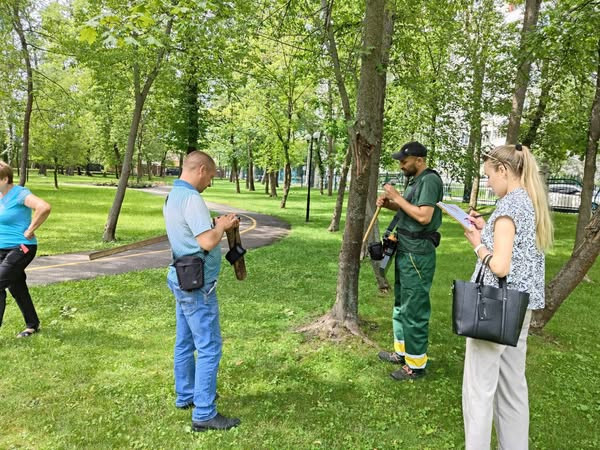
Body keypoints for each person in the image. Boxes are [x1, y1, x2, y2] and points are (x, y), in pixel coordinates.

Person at [461, 144, 553, 449]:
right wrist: (487, 230)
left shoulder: (508, 208)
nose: (488, 183)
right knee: (512, 387)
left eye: (489, 176)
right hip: (519, 307)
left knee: (479, 390)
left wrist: (477, 243)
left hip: (493, 308)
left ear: (503, 170)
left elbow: (500, 265)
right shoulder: (528, 202)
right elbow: (513, 246)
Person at [163, 151, 241, 432]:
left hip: (179, 277)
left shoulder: (173, 195)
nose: (210, 182)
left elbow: (189, 234)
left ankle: (187, 395)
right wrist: (220, 226)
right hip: (197, 286)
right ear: (201, 169)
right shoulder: (193, 199)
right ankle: (205, 413)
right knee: (209, 347)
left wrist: (217, 226)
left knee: (185, 342)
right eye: (210, 176)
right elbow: (207, 241)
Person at [376, 141, 444, 380]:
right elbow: (409, 210)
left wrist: (396, 196)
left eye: (404, 161)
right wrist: (390, 204)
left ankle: (415, 366)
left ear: (419, 160)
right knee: (401, 304)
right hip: (404, 250)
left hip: (418, 254)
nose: (402, 166)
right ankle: (401, 352)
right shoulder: (415, 181)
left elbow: (424, 217)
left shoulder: (430, 180)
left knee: (414, 308)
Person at [0, 162, 51, 338]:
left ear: (5, 179)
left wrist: (30, 229)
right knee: (16, 286)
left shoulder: (20, 194)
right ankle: (32, 325)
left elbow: (44, 207)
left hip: (21, 247)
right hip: (2, 249)